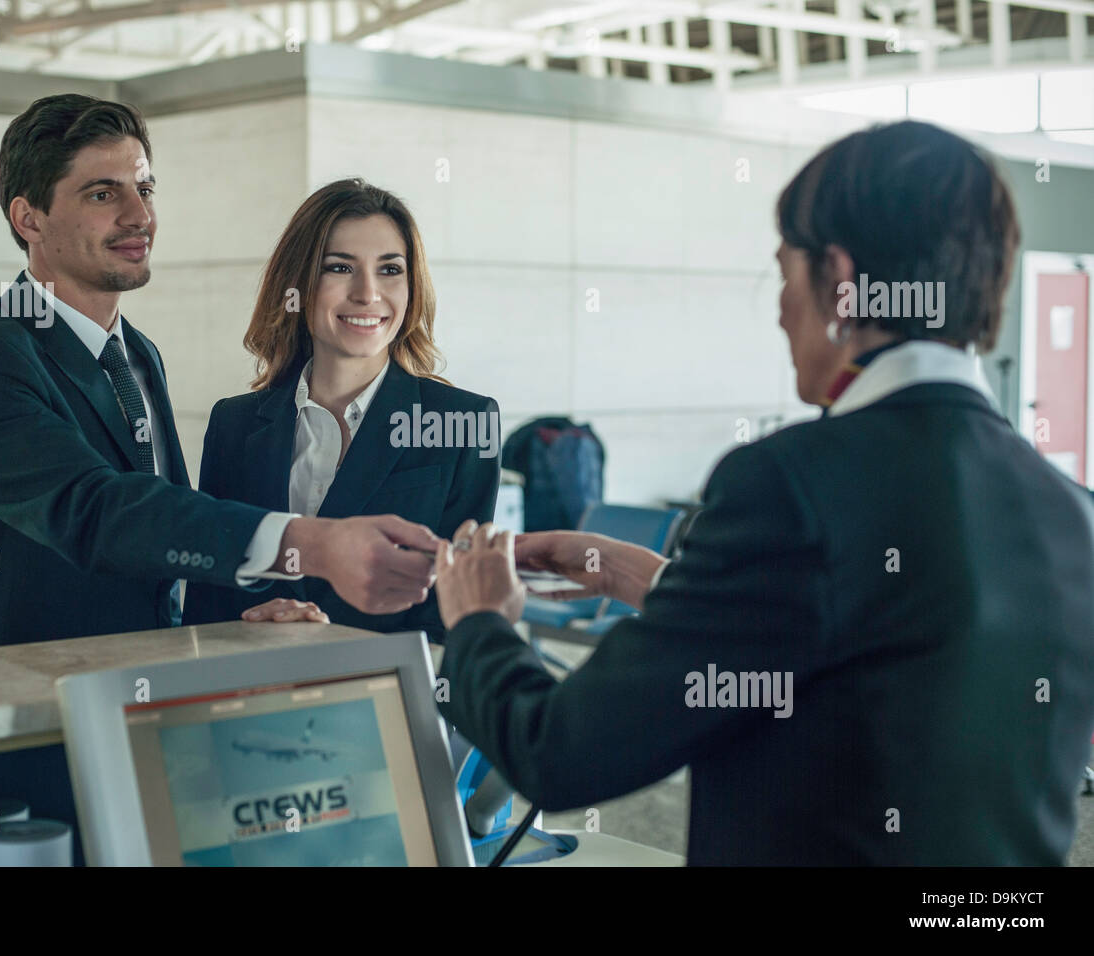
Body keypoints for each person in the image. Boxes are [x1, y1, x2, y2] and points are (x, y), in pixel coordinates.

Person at [431, 120, 1094, 865]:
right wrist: (638, 578)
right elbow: (863, 661)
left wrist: (479, 620)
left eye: (783, 274)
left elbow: (560, 752)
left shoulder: (790, 483)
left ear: (840, 281)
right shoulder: (1071, 512)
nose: (780, 308)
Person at [0, 95, 439, 652]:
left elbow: (160, 541)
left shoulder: (138, 355)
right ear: (30, 218)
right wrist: (311, 544)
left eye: (143, 190)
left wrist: (245, 613)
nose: (138, 216)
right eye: (102, 193)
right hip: (29, 713)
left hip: (144, 704)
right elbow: (95, 511)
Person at [183, 180, 500, 641]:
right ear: (298, 284)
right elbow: (209, 596)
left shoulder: (462, 424)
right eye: (339, 268)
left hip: (391, 697)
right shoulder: (234, 424)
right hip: (252, 688)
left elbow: (459, 614)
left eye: (390, 269)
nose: (368, 293)